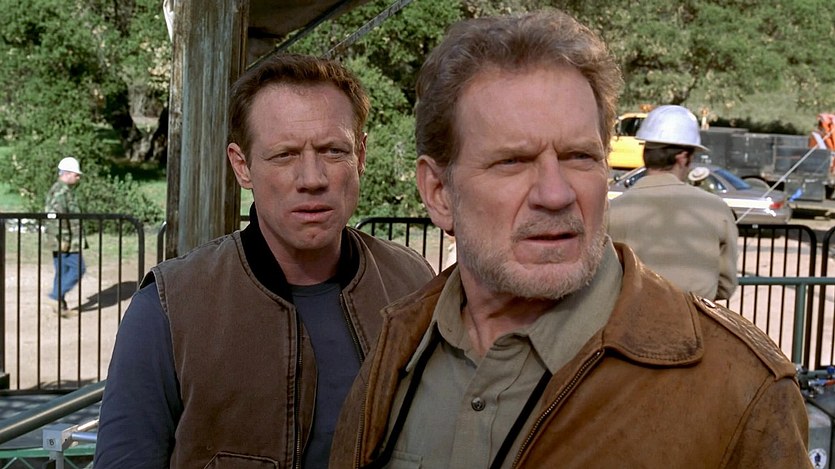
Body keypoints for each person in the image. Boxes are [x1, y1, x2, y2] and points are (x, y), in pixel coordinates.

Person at [331, 10, 810, 468]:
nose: (556, 194)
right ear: (439, 193)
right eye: (513, 162)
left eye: (580, 157)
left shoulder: (740, 390)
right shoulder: (396, 345)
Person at [94, 54, 435, 468]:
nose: (312, 179)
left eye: (333, 151)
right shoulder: (169, 308)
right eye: (284, 155)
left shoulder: (412, 284)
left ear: (360, 155)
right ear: (242, 166)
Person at [608, 104, 739, 301]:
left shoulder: (613, 210)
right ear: (683, 157)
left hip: (630, 316)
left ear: (645, 154)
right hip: (694, 316)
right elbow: (726, 285)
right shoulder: (716, 209)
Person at [44, 156, 86, 312]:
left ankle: (60, 306)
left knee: (61, 272)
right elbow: (58, 218)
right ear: (67, 174)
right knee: (78, 268)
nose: (78, 177)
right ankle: (55, 297)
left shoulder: (62, 190)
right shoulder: (61, 192)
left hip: (61, 240)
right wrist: (65, 239)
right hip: (66, 241)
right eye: (76, 174)